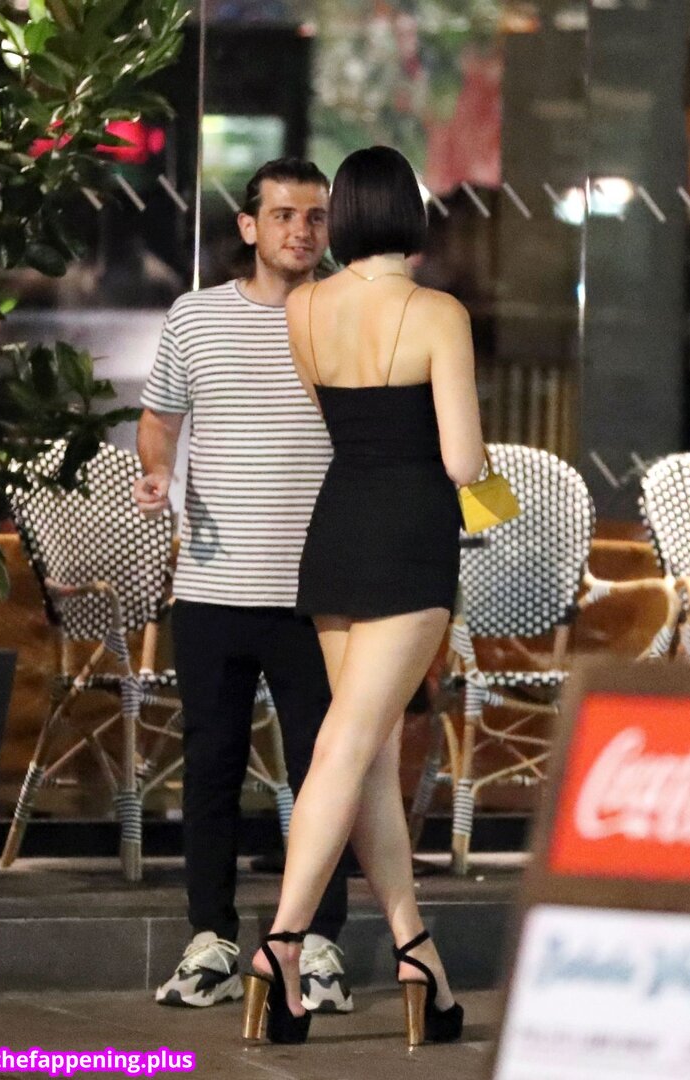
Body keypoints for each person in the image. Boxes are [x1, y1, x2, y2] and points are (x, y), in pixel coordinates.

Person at [241, 146, 484, 1047]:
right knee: (349, 745)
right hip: (409, 540)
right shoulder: (437, 312)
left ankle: (416, 950)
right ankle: (283, 942)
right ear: (409, 215)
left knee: (369, 754)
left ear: (341, 215)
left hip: (336, 528)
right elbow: (461, 461)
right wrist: (484, 477)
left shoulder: (304, 306)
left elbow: (337, 419)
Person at [133, 158, 352, 1013]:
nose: (302, 230)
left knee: (323, 771)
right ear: (249, 226)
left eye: (316, 216)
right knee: (212, 767)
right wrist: (159, 474)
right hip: (212, 586)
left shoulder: (346, 315)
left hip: (318, 593)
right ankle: (211, 941)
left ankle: (319, 942)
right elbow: (159, 421)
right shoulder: (195, 316)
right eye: (285, 214)